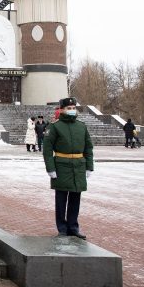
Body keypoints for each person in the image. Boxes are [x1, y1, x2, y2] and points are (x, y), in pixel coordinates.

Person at [42, 97, 94, 239]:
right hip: (61, 166)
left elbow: (88, 147)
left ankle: (73, 227)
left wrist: (89, 166)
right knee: (61, 200)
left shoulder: (81, 126)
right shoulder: (55, 126)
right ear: (62, 110)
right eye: (68, 108)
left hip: (78, 166)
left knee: (75, 198)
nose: (71, 110)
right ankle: (62, 228)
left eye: (73, 108)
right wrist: (50, 168)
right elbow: (47, 149)